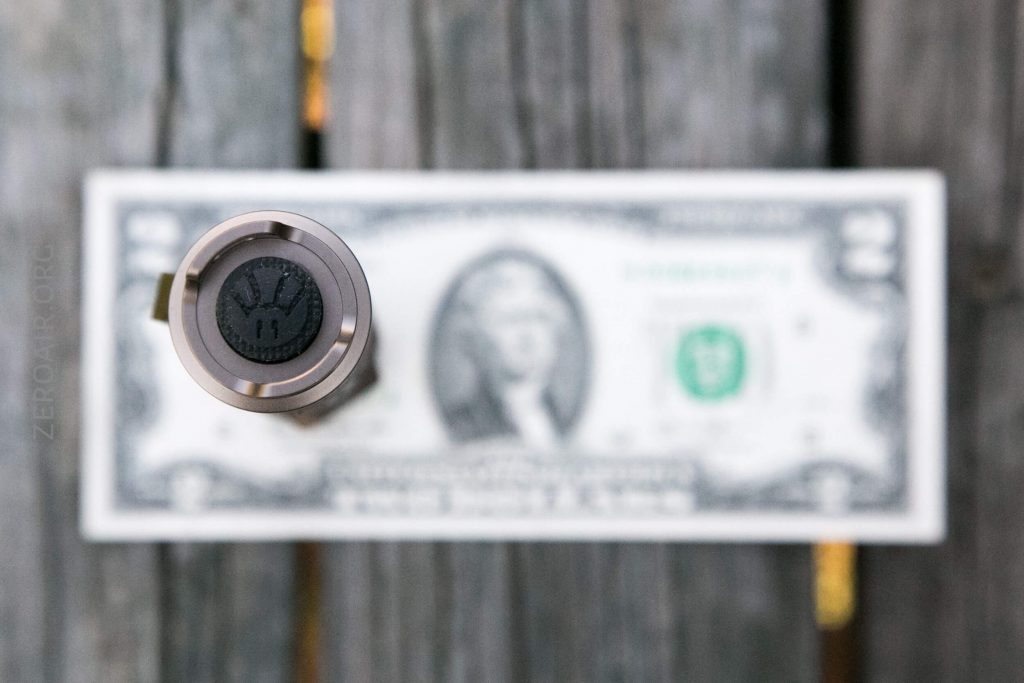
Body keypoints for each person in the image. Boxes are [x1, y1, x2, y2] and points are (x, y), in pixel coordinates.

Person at [443, 254, 576, 448]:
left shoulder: (561, 418)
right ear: (479, 337)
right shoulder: (462, 427)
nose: (528, 335)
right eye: (511, 320)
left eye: (539, 318)